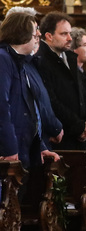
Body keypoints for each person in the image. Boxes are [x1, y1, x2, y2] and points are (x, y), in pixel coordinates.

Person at [0, 12, 61, 168]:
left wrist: (40, 147)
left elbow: (29, 112)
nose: (39, 35)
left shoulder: (22, 62)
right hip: (10, 154)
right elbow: (2, 107)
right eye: (35, 31)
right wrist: (10, 149)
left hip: (25, 151)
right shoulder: (3, 59)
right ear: (21, 33)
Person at [37, 12, 86, 150]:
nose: (70, 38)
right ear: (49, 36)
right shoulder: (41, 60)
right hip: (62, 137)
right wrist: (79, 126)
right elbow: (51, 101)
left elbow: (83, 95)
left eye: (69, 33)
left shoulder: (70, 57)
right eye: (64, 34)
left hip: (81, 136)